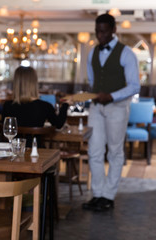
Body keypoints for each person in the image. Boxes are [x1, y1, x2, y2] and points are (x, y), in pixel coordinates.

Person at [82, 13, 140, 212]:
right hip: (96, 107)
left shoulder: (126, 53)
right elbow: (92, 80)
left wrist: (112, 96)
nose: (100, 36)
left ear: (114, 30)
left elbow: (134, 86)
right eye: (97, 31)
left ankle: (108, 195)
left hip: (117, 107)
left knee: (115, 151)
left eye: (104, 31)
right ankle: (98, 193)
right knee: (94, 151)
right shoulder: (92, 52)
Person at [2, 66, 69, 145]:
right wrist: (65, 105)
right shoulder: (45, 106)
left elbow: (5, 131)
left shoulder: (7, 106)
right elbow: (59, 124)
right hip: (37, 152)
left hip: (13, 151)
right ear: (34, 83)